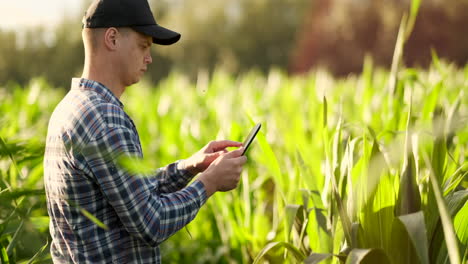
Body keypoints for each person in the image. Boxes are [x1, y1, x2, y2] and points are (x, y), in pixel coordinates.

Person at [43, 0, 247, 263]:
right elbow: (152, 223)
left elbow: (127, 192)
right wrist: (210, 183)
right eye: (143, 46)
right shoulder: (105, 119)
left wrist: (190, 166)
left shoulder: (70, 107)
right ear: (112, 38)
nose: (149, 58)